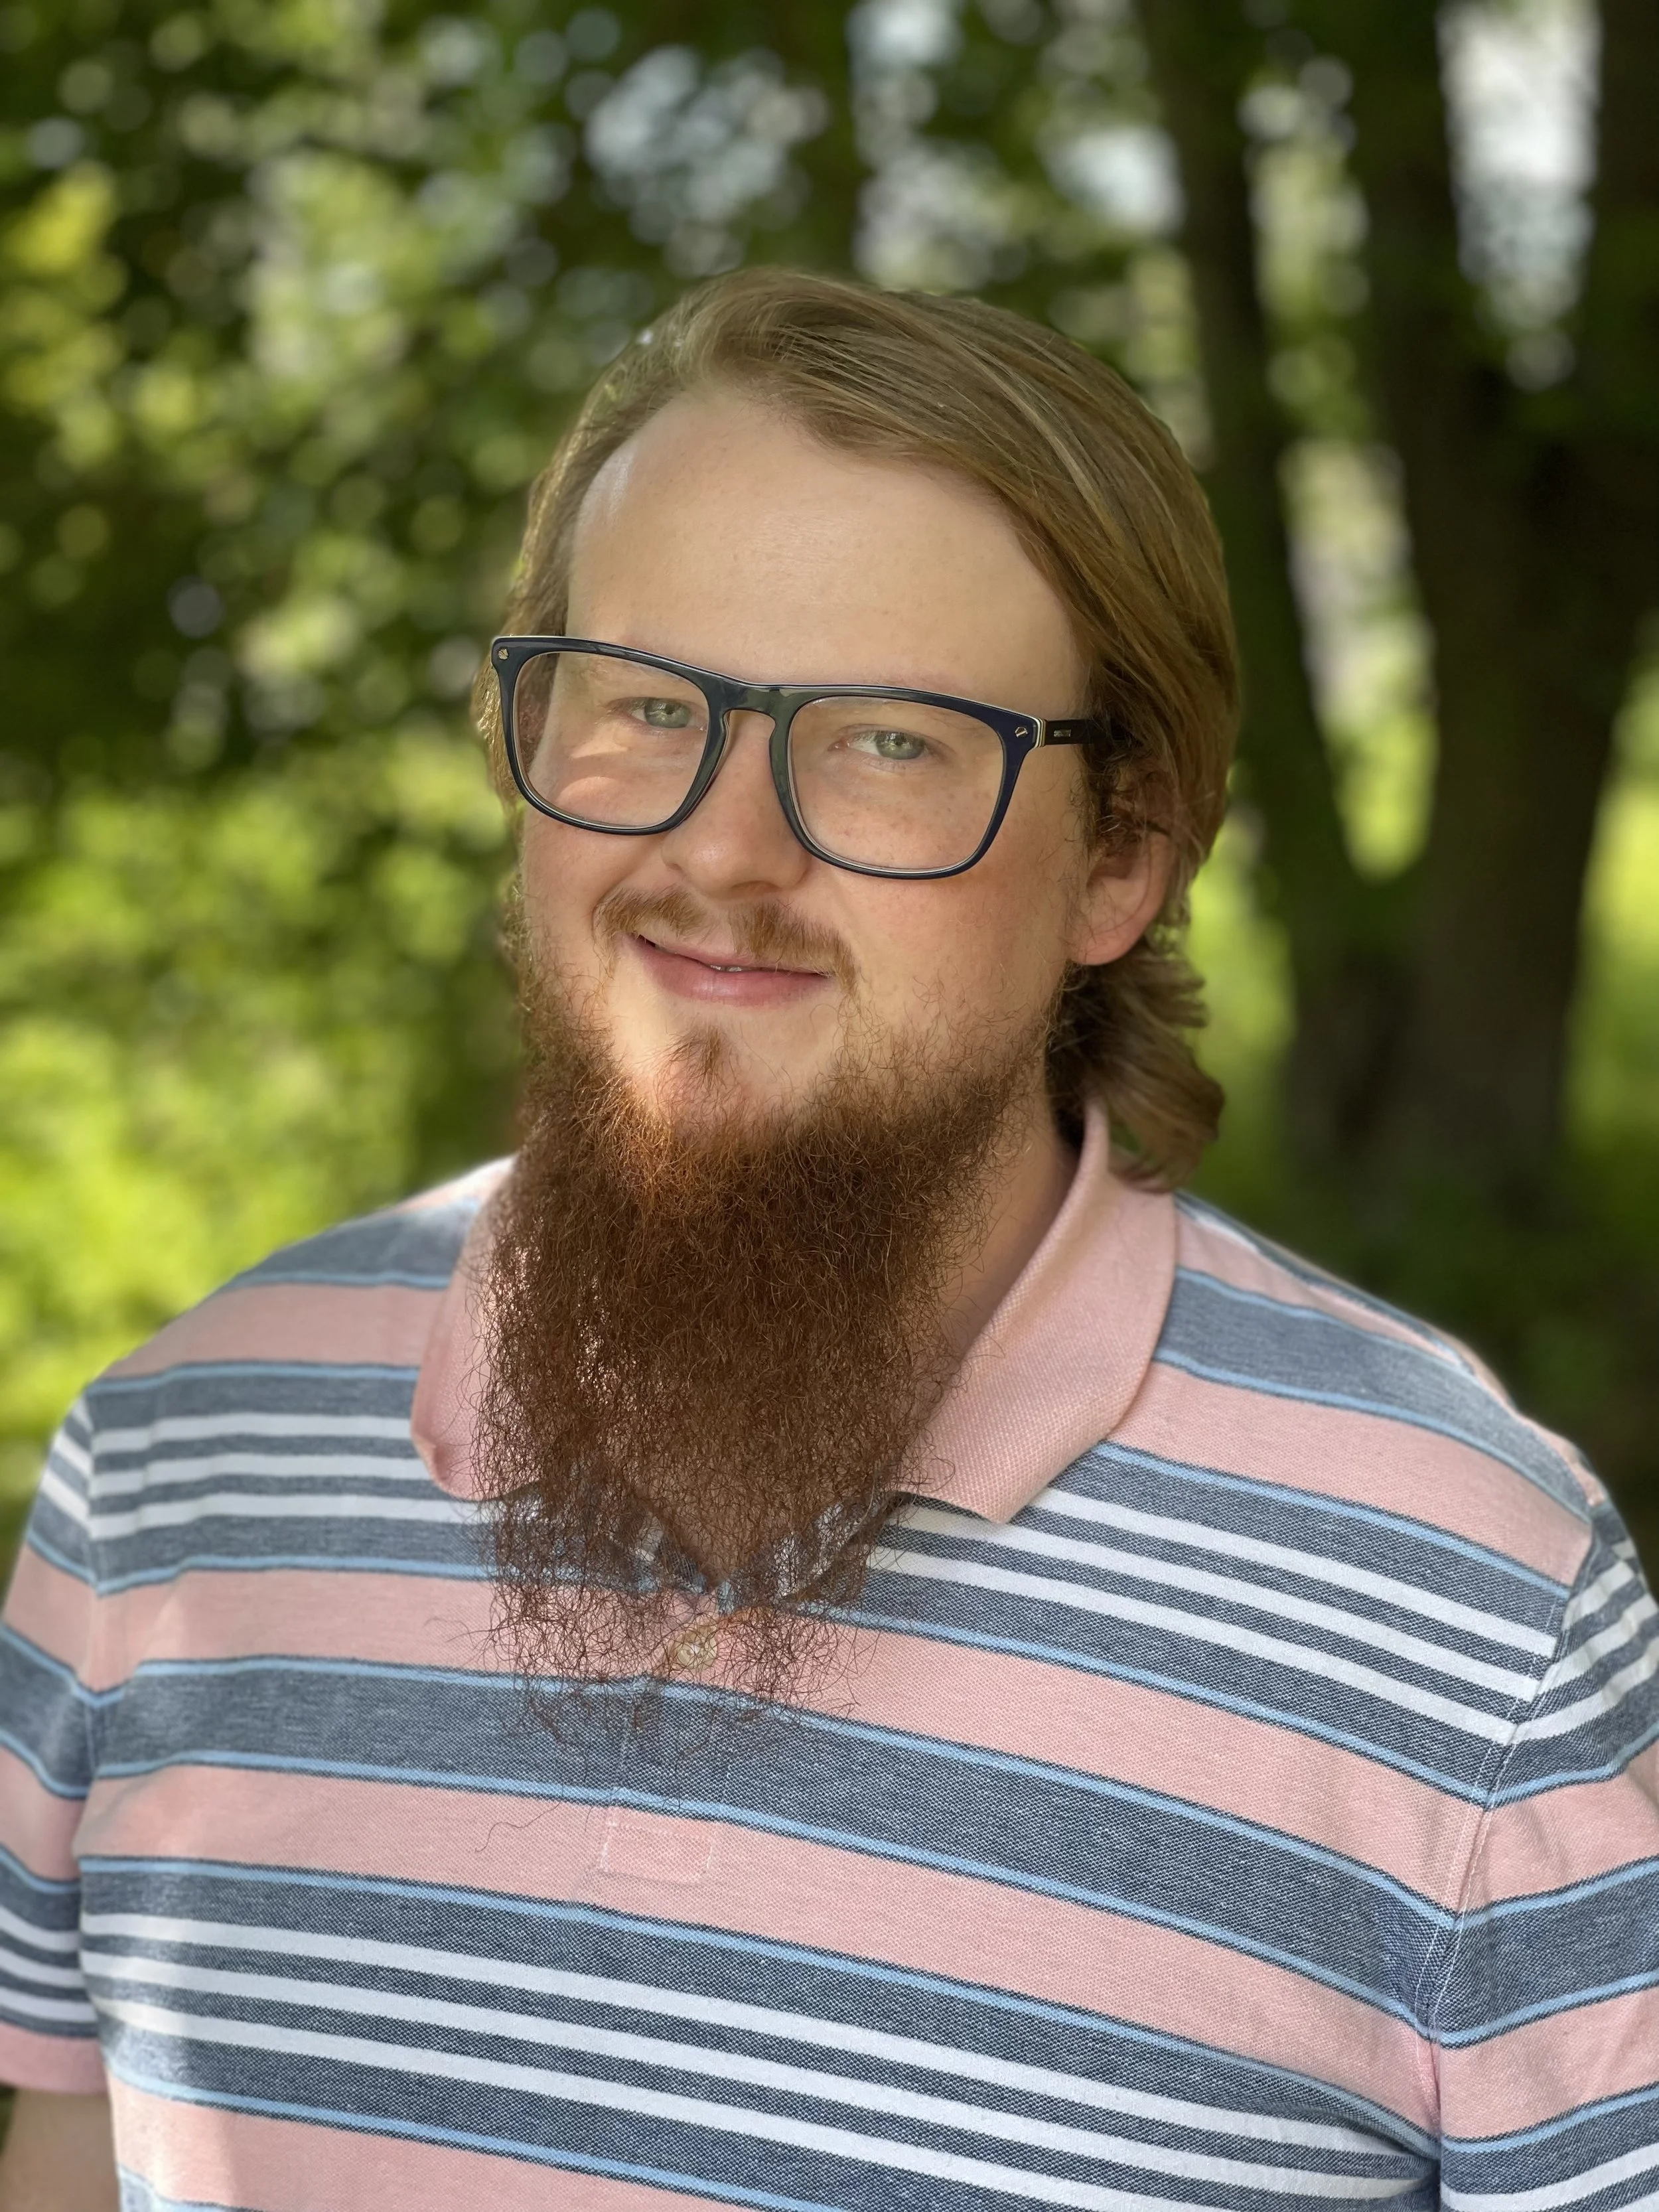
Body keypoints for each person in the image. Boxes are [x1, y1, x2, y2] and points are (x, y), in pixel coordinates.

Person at [1, 269, 1654, 2212]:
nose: (722, 846)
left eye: (885, 741)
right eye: (642, 704)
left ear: (1119, 855)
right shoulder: (172, 1475)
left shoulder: (1463, 1603)